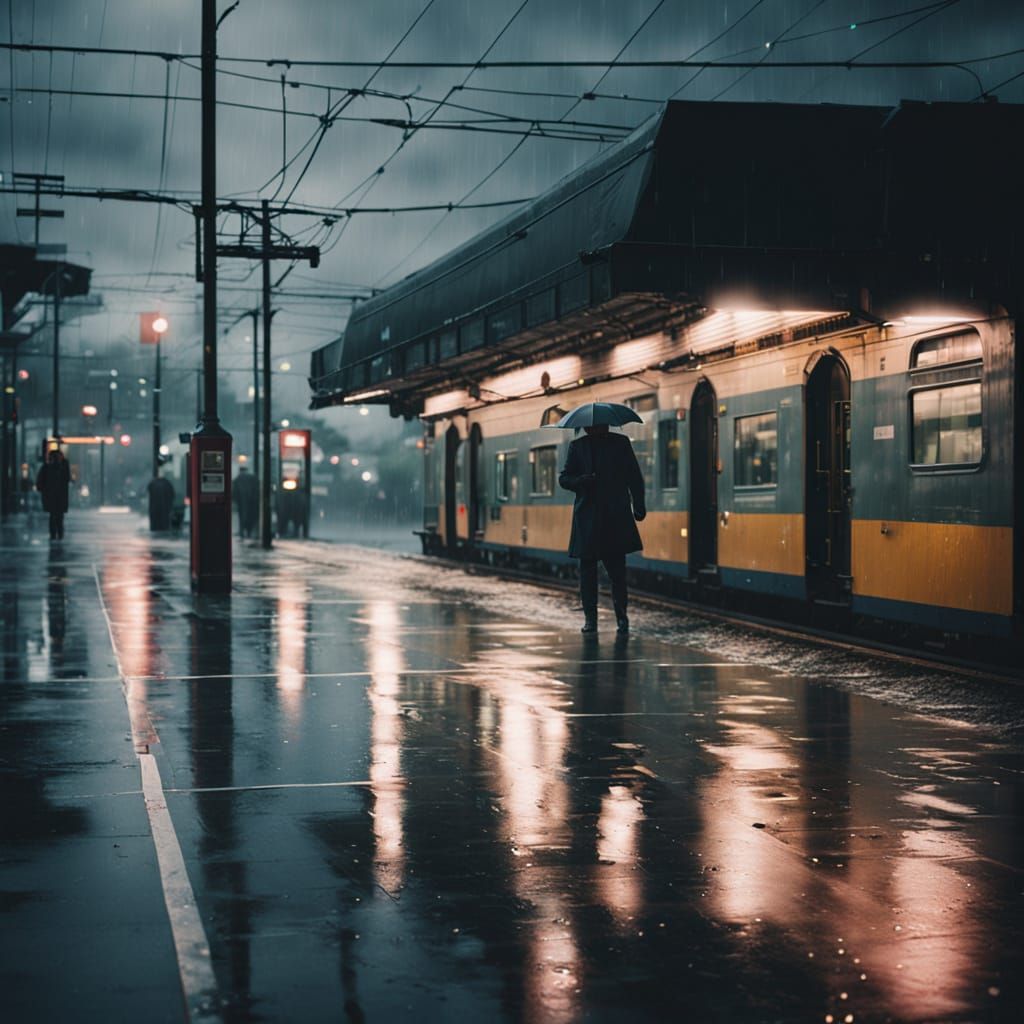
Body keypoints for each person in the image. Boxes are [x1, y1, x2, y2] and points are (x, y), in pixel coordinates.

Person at [558, 424, 646, 634]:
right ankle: (594, 620)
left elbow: (634, 476)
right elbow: (564, 478)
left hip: (610, 517)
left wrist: (639, 505)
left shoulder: (619, 444)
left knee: (614, 573)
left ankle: (620, 619)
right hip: (593, 517)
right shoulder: (578, 447)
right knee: (597, 573)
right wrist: (581, 481)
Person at [36, 448, 71, 540]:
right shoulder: (57, 468)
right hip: (55, 496)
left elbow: (40, 483)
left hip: (53, 496)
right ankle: (58, 533)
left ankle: (56, 534)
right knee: (57, 516)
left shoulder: (49, 468)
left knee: (55, 516)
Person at [233, 465, 258, 538]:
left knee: (242, 516)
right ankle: (249, 532)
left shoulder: (237, 479)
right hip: (252, 502)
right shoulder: (252, 477)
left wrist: (235, 501)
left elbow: (235, 491)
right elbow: (256, 488)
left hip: (241, 502)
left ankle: (242, 532)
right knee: (250, 516)